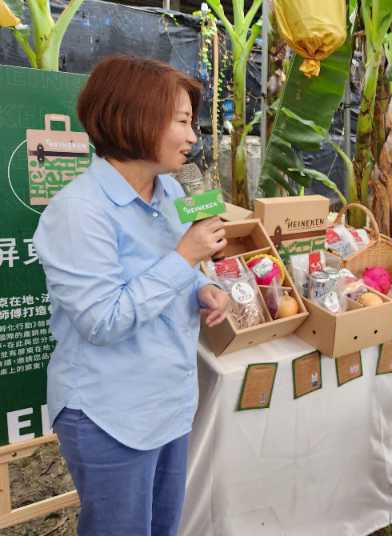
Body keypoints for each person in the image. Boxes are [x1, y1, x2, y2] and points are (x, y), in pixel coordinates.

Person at [33, 56, 230, 536]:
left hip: (168, 402)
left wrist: (205, 286)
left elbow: (183, 271)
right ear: (135, 116)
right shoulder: (79, 212)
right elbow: (102, 321)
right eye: (182, 122)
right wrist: (185, 258)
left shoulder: (168, 194)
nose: (193, 137)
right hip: (109, 414)